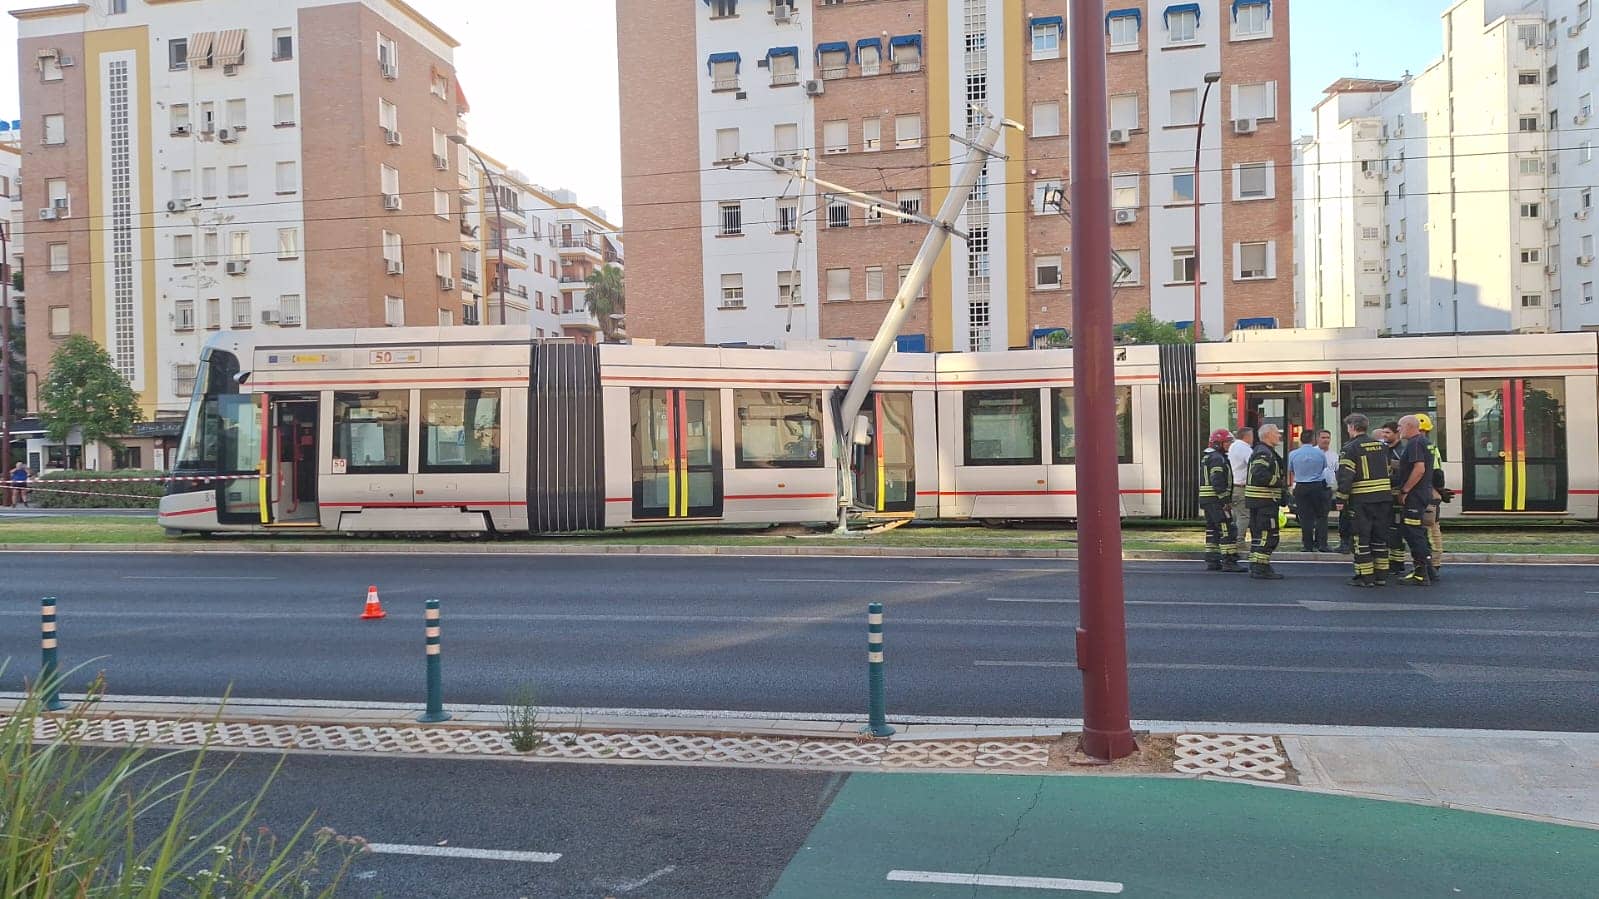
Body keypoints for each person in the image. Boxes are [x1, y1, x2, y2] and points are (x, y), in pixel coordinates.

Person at [1335, 413, 1396, 588]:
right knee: (1379, 538)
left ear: (1352, 427)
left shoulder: (1350, 448)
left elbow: (1346, 476)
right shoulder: (1382, 447)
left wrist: (1340, 498)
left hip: (1362, 501)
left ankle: (1365, 577)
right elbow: (1389, 471)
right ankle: (1381, 576)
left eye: (1348, 427)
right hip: (1384, 500)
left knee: (1361, 539)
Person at [1395, 415, 1436, 586]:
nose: (1398, 429)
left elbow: (1419, 469)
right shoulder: (1424, 441)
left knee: (1413, 532)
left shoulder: (1415, 443)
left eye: (1400, 426)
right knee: (1415, 531)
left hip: (1415, 494)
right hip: (1422, 492)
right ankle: (1429, 570)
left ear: (1410, 426)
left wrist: (1405, 490)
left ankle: (1421, 573)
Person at [1244, 424, 1288, 579]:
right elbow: (1259, 473)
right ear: (1268, 435)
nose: (1279, 436)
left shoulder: (1263, 451)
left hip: (1261, 501)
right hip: (1264, 501)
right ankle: (1260, 568)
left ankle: (1257, 565)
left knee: (1259, 536)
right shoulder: (1264, 452)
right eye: (1277, 433)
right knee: (1268, 535)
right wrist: (1279, 482)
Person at [1199, 429, 1247, 573]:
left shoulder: (1208, 457)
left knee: (1212, 530)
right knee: (1227, 529)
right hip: (1216, 500)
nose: (1229, 445)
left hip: (1208, 500)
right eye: (1226, 442)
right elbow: (1217, 480)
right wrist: (1225, 500)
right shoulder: (1217, 459)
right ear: (1218, 443)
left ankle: (1212, 560)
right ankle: (1229, 561)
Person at [1288, 428, 1332, 552]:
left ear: (1301, 439)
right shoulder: (1320, 454)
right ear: (1313, 440)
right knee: (1321, 516)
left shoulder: (1293, 454)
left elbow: (1291, 469)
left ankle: (1307, 545)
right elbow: (1324, 467)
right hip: (1317, 486)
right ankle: (1322, 544)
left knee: (1305, 518)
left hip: (1301, 486)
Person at [1415, 412, 1447, 580]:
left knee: (1431, 529)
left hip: (1429, 494)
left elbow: (1436, 473)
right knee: (1432, 529)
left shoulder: (1425, 447)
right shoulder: (1430, 445)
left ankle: (1433, 564)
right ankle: (1432, 563)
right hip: (1432, 493)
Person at [1379, 421, 1409, 578]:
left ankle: (1398, 563)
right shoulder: (1382, 449)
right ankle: (1392, 561)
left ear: (1397, 433)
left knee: (1396, 530)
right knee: (1387, 529)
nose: (1384, 436)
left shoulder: (1401, 451)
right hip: (1385, 496)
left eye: (1387, 433)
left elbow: (1405, 473)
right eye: (1383, 433)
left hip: (1397, 496)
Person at [1320, 429, 1352, 553]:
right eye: (1323, 437)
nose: (1326, 440)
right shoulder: (1314, 453)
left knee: (1337, 516)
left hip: (1333, 489)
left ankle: (1345, 544)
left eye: (1328, 437)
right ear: (1318, 439)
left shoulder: (1334, 455)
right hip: (1317, 488)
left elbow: (1341, 473)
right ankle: (1317, 542)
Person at [1227, 426, 1255, 560]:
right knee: (1244, 516)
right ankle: (1239, 542)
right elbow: (1252, 464)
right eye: (1252, 435)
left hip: (1233, 486)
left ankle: (1232, 539)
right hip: (1241, 486)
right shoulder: (1245, 448)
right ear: (1247, 436)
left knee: (1236, 515)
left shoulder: (1233, 446)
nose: (1253, 438)